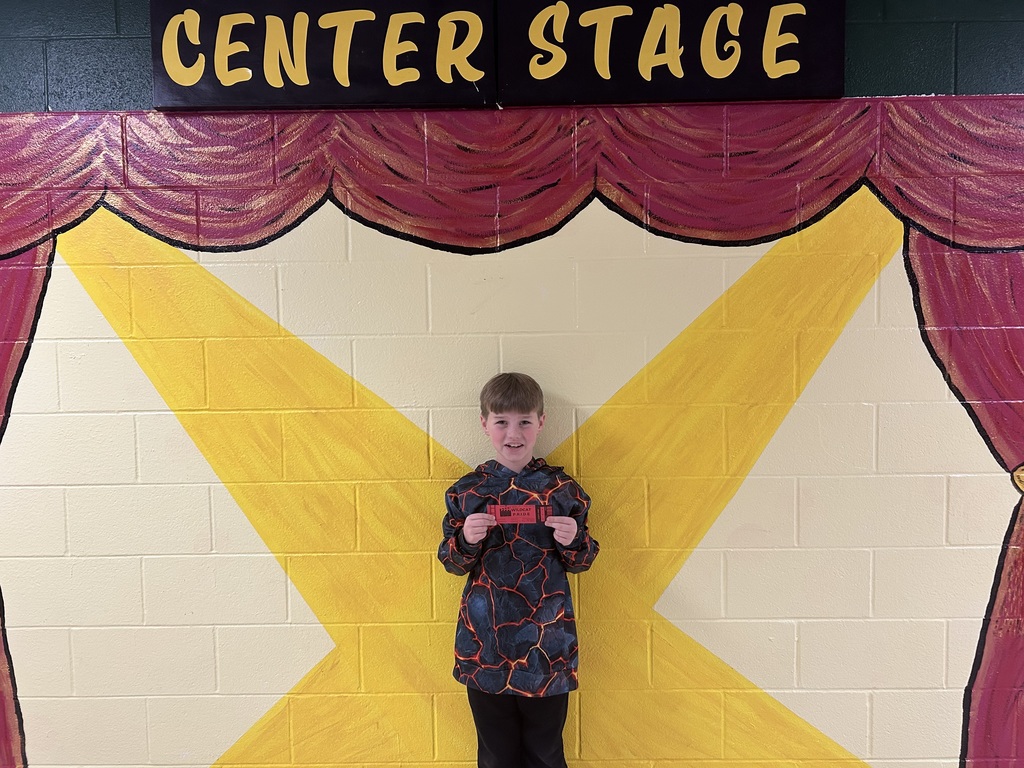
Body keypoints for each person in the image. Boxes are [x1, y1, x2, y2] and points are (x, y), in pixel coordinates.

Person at [438, 372, 600, 768]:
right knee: (495, 756)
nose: (514, 432)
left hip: (547, 649)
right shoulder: (468, 492)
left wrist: (573, 538)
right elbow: (451, 563)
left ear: (541, 422)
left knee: (546, 754)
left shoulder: (563, 490)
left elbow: (583, 561)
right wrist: (467, 540)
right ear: (484, 424)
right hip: (484, 648)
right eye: (502, 421)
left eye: (525, 421)